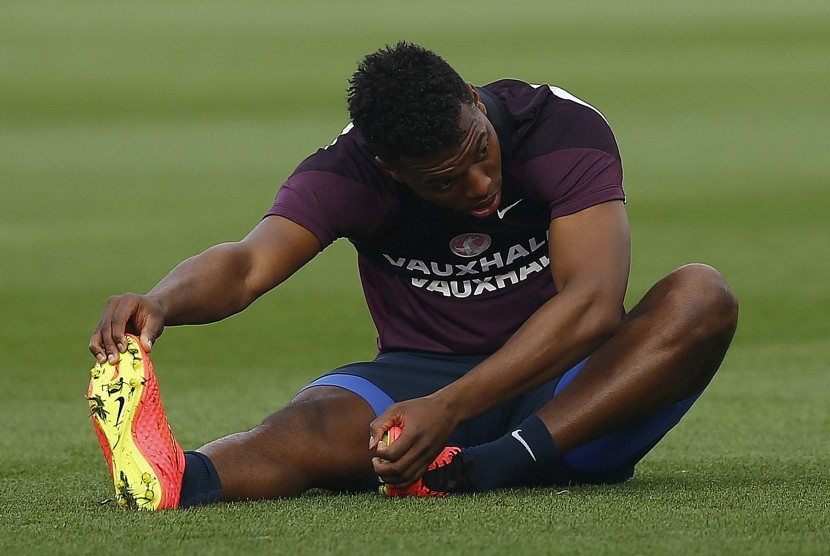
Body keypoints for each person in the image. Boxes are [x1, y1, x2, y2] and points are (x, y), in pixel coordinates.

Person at [87, 41, 738, 510]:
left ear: (475, 102)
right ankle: (175, 481)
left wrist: (449, 409)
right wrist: (162, 300)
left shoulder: (558, 129)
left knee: (701, 296)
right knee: (304, 429)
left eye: (481, 152)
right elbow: (249, 262)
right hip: (421, 372)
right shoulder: (350, 172)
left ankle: (495, 464)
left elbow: (595, 305)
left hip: (570, 388)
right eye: (447, 182)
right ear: (393, 169)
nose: (481, 187)